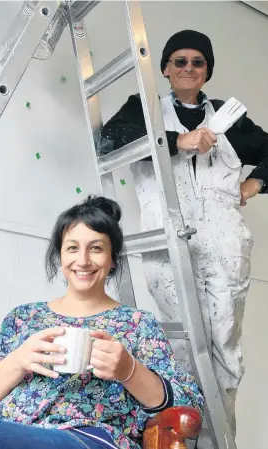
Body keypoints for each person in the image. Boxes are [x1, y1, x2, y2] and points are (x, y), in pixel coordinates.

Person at [97, 29, 268, 446]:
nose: (188, 68)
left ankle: (217, 442)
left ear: (207, 71)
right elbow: (108, 142)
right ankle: (177, 442)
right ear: (165, 69)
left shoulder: (229, 116)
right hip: (168, 241)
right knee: (181, 350)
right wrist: (176, 141)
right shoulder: (144, 109)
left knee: (225, 350)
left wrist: (255, 184)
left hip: (225, 246)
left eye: (198, 62)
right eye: (180, 61)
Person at [0, 195, 203, 449]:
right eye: (72, 248)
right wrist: (18, 360)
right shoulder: (22, 317)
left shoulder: (137, 323)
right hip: (3, 430)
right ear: (59, 255)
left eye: (96, 248)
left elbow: (187, 404)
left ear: (113, 258)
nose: (83, 260)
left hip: (90, 438)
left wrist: (129, 371)